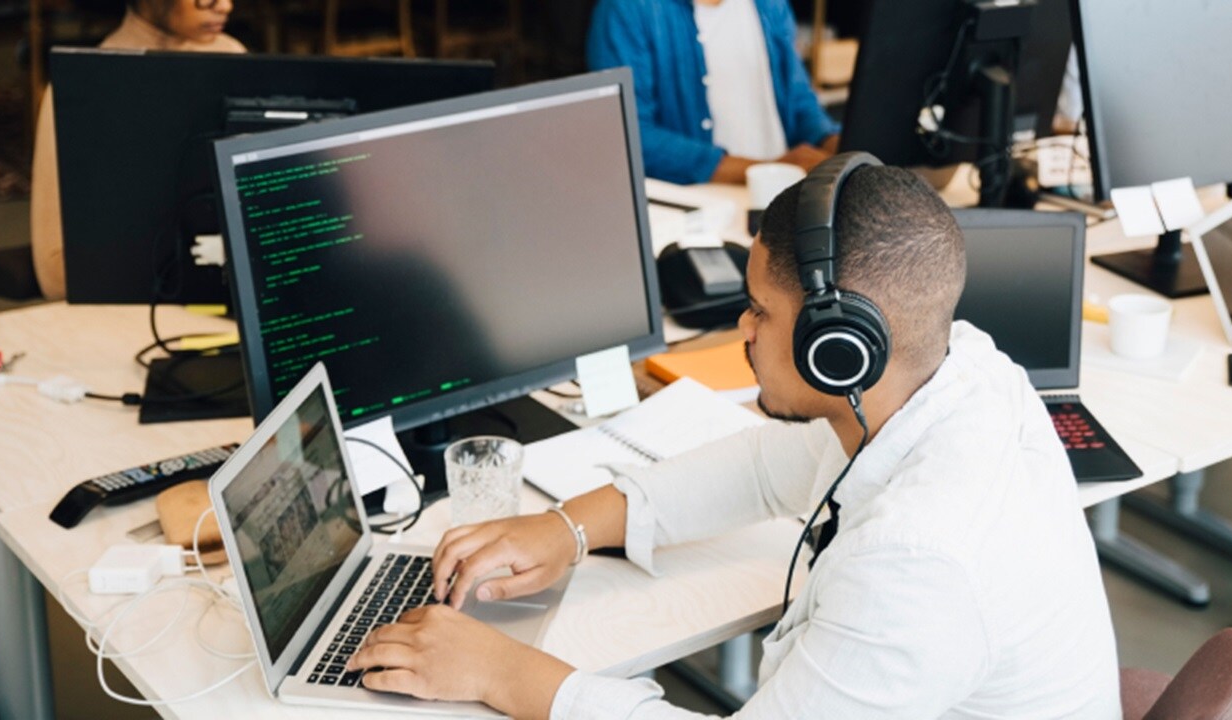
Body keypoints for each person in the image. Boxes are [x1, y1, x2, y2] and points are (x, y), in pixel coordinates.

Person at [342, 155, 1121, 718]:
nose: (742, 330)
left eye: (761, 311)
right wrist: (566, 527)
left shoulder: (917, 565)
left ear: (840, 345)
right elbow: (763, 467)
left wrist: (503, 673)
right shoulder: (959, 371)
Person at [31, 0, 244, 300]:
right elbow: (56, 276)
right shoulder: (82, 89)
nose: (225, 6)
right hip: (130, 308)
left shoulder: (232, 56)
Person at [587, 0, 841, 186]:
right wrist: (761, 171)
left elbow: (799, 102)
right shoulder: (626, 9)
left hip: (783, 197)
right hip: (707, 211)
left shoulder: (770, 5)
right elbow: (630, 135)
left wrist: (838, 143)